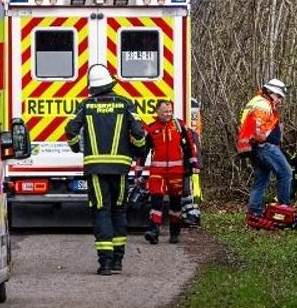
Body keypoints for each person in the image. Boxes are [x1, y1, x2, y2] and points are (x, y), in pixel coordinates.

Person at [65, 64, 147, 275]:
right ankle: (118, 260)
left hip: (95, 169)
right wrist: (139, 151)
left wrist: (76, 147)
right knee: (118, 210)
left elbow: (71, 130)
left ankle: (105, 263)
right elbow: (139, 134)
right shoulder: (125, 104)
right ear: (110, 83)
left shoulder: (86, 105)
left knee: (101, 211)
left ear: (92, 87)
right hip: (120, 169)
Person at [137, 100, 200, 245]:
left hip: (176, 171)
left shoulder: (179, 126)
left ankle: (174, 233)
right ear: (157, 112)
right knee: (156, 199)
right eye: (165, 111)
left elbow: (190, 146)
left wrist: (194, 163)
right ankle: (153, 231)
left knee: (175, 203)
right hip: (157, 171)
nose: (168, 114)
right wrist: (138, 173)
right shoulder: (151, 129)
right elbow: (142, 153)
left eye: (170, 111)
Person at [236, 78, 292, 217]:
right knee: (286, 173)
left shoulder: (254, 101)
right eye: (278, 96)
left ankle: (254, 212)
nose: (280, 100)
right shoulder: (263, 104)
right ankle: (284, 211)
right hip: (264, 146)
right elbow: (258, 129)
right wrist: (263, 139)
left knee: (261, 180)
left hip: (253, 148)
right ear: (271, 92)